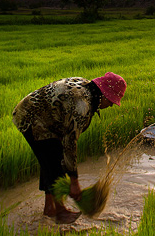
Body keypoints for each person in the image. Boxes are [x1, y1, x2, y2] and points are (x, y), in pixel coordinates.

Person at [12, 72, 127, 223]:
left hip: (47, 119)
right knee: (54, 163)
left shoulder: (87, 88)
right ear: (103, 94)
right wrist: (74, 182)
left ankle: (49, 208)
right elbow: (70, 144)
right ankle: (60, 212)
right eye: (111, 100)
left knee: (50, 161)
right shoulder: (82, 106)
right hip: (31, 117)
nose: (112, 104)